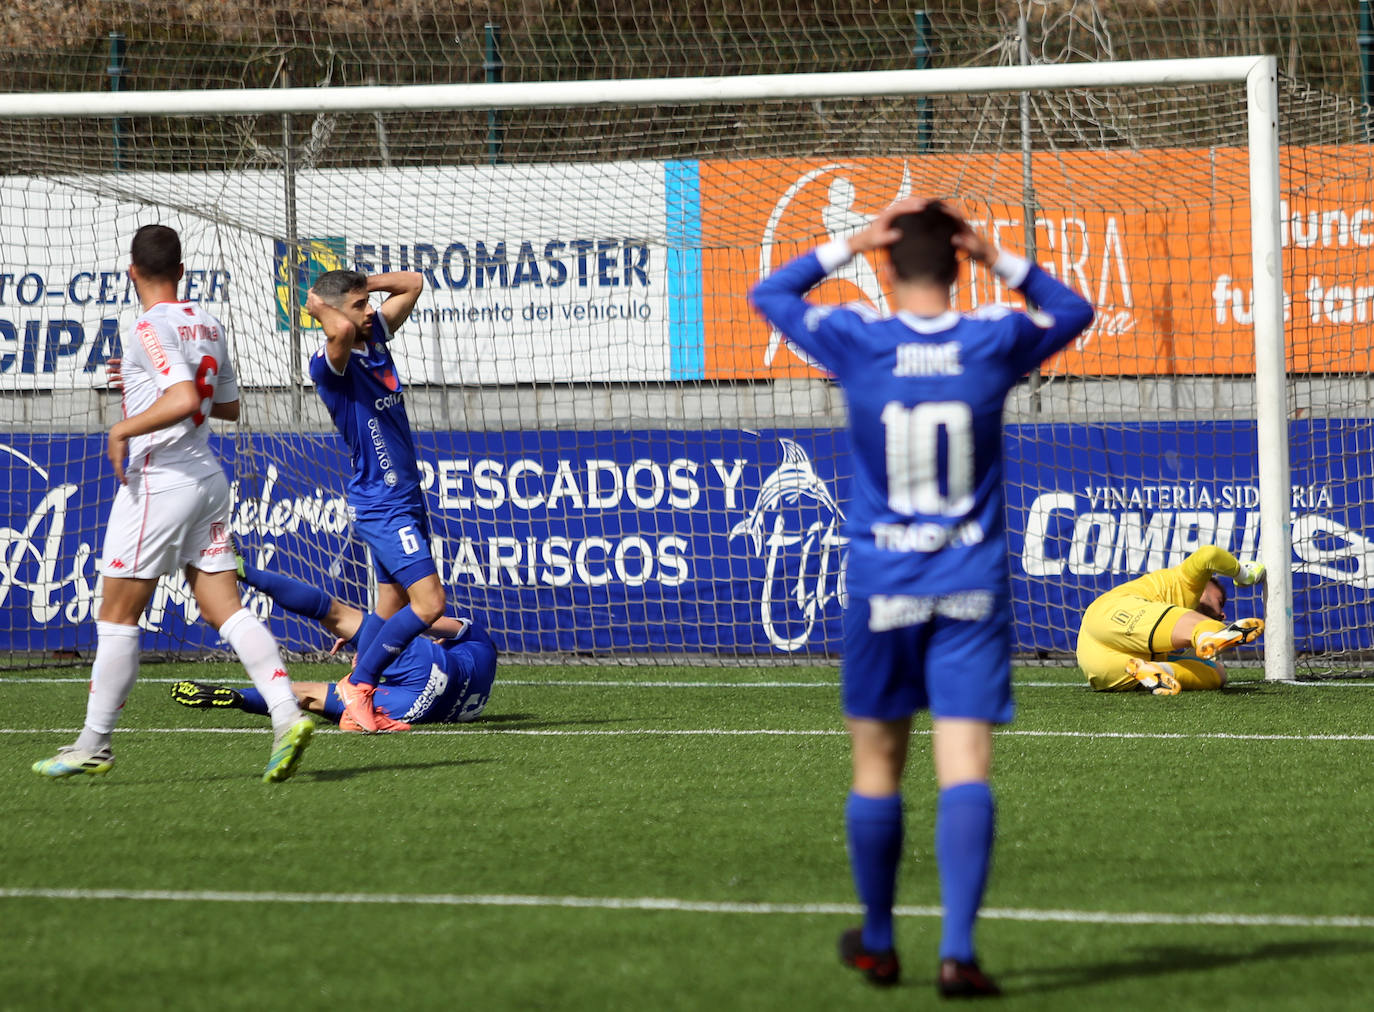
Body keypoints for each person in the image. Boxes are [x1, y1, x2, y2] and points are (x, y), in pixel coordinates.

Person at [749, 198, 1094, 998]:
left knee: (878, 766)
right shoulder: (993, 339)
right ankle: (959, 953)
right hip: (970, 584)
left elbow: (769, 296)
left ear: (888, 263)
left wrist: (852, 241)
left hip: (882, 587)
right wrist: (999, 258)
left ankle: (876, 940)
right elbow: (1074, 309)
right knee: (965, 764)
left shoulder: (860, 342)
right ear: (957, 260)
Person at [32, 224, 314, 784]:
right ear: (182, 271)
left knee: (116, 616)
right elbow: (223, 406)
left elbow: (184, 399)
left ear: (132, 271)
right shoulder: (207, 323)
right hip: (207, 479)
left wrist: (123, 428)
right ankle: (286, 714)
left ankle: (95, 744)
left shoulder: (144, 325)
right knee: (225, 608)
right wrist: (138, 385)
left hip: (158, 482)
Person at [305, 268, 445, 734]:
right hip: (382, 503)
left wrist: (363, 283)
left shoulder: (374, 335)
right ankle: (359, 686)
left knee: (389, 607)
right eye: (361, 305)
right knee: (430, 605)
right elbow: (340, 327)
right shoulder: (330, 365)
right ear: (332, 313)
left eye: (369, 304)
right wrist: (321, 304)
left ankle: (354, 709)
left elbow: (414, 282)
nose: (369, 312)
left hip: (404, 495)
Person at [170, 558, 496, 730]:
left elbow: (417, 617)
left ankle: (243, 570)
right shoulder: (479, 685)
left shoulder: (479, 642)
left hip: (425, 664)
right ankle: (239, 698)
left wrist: (374, 633)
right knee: (307, 696)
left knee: (333, 612)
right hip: (415, 707)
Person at [1077, 546, 1265, 694]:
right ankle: (1208, 636)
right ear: (1205, 586)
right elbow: (1209, 554)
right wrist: (1245, 575)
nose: (1223, 613)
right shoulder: (1184, 581)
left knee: (1217, 674)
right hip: (1111, 613)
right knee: (1206, 626)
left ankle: (1160, 670)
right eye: (1220, 600)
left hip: (1101, 669)